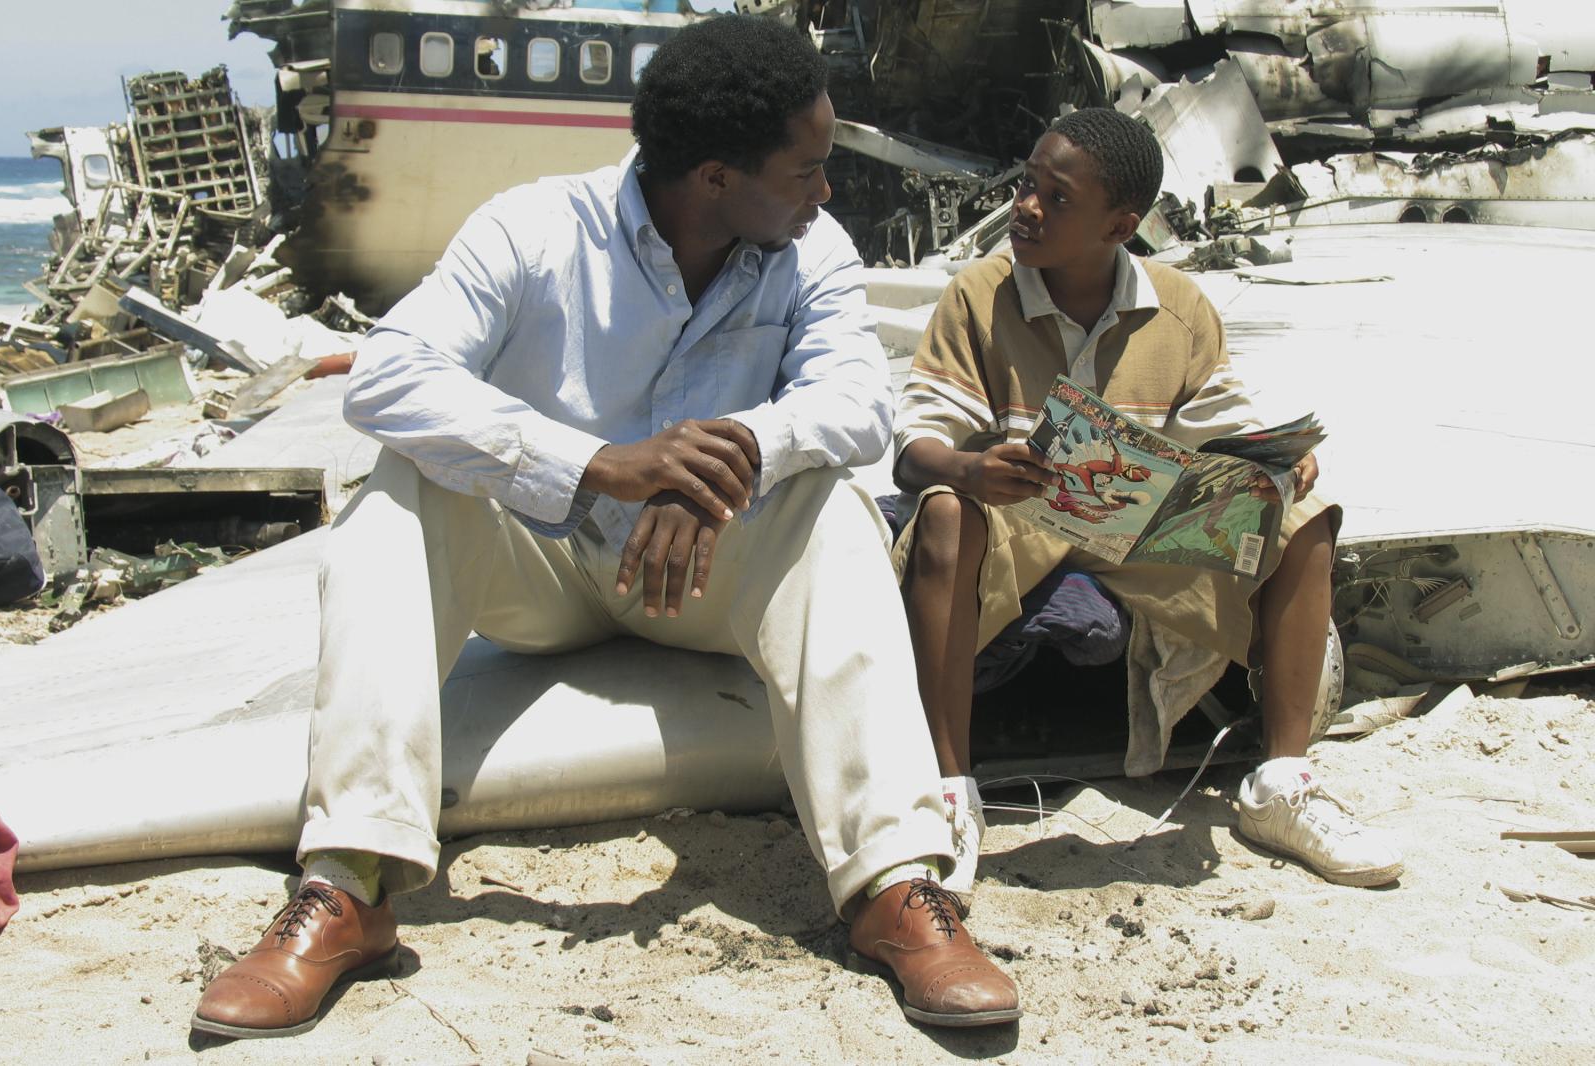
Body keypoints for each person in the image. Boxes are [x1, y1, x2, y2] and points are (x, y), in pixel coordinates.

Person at [191, 16, 1020, 1039]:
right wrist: (597, 464)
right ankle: (350, 884)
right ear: (715, 177)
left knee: (832, 505)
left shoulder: (814, 250)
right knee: (399, 490)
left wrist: (725, 455)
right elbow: (389, 376)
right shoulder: (533, 229)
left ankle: (893, 883)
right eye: (807, 170)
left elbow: (856, 404)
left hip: (705, 575)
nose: (827, 191)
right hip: (542, 567)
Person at [891, 108, 1404, 894]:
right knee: (944, 512)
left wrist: (1274, 464)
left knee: (1303, 518)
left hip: (1134, 525)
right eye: (1027, 184)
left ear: (1120, 226)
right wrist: (967, 469)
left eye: (1057, 198)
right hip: (1015, 515)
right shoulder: (978, 295)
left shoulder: (1179, 306)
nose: (1026, 207)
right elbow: (915, 442)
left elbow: (1224, 432)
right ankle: (948, 795)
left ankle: (1281, 783)